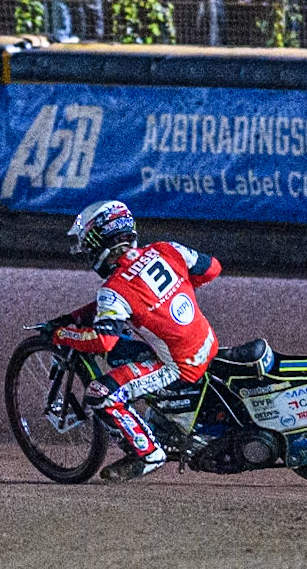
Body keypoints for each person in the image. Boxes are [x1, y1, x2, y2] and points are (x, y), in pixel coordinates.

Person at [49, 200, 221, 482]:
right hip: (207, 344)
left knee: (99, 393)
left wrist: (61, 335)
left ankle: (148, 454)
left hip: (178, 367)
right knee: (124, 353)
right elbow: (212, 268)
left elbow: (103, 341)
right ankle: (166, 422)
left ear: (99, 242)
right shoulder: (166, 249)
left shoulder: (114, 289)